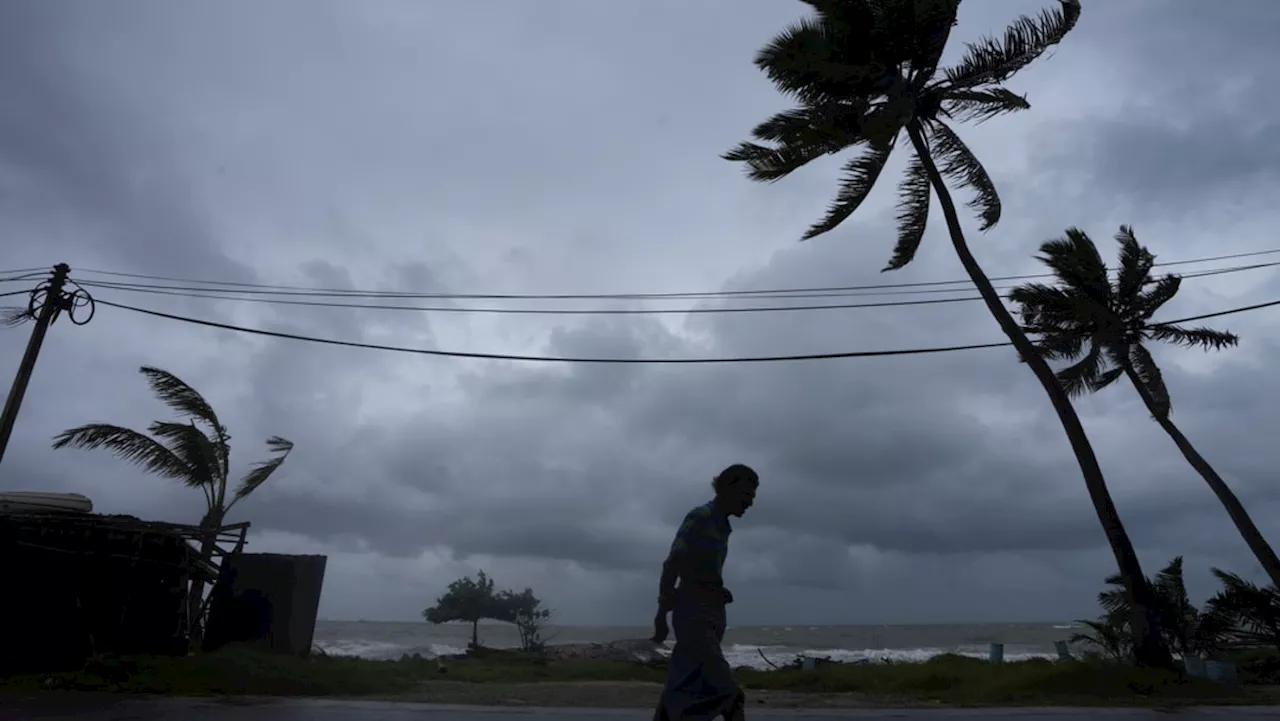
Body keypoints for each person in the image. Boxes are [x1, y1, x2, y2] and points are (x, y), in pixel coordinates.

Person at [652, 463, 759, 721]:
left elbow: (701, 568)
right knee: (729, 693)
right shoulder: (700, 516)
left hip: (711, 613)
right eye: (746, 496)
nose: (750, 503)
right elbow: (674, 562)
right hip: (693, 614)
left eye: (753, 497)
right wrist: (661, 614)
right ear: (728, 489)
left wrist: (718, 590)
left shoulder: (724, 526)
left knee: (680, 686)